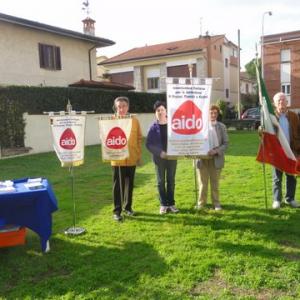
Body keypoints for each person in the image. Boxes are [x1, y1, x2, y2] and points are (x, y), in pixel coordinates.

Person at [110, 96, 142, 221]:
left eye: (124, 106)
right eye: (119, 107)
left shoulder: (134, 120)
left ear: (128, 107)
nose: (121, 109)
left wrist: (138, 155)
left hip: (132, 158)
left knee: (129, 185)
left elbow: (139, 138)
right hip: (117, 159)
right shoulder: (111, 121)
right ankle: (117, 211)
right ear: (115, 108)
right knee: (118, 186)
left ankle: (128, 208)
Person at [146, 101, 179, 214]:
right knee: (160, 181)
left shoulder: (173, 125)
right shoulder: (153, 128)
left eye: (162, 109)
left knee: (171, 181)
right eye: (158, 110)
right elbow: (149, 144)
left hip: (172, 158)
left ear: (166, 111)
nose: (160, 112)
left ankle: (171, 203)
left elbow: (179, 138)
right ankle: (163, 204)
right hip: (159, 159)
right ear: (155, 113)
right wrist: (160, 152)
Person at [195, 105, 228, 210]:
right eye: (211, 113)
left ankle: (216, 204)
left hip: (216, 158)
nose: (213, 115)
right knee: (202, 183)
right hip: (202, 159)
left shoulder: (221, 126)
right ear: (207, 114)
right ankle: (201, 204)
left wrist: (215, 151)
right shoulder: (199, 125)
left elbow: (226, 144)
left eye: (215, 113)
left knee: (215, 183)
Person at [271, 92, 300, 209]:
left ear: (287, 103)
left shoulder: (294, 116)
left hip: (292, 151)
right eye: (279, 100)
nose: (281, 102)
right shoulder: (271, 117)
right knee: (277, 177)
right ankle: (277, 200)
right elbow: (265, 135)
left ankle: (290, 199)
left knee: (291, 176)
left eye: (283, 100)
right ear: (275, 103)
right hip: (277, 152)